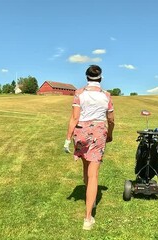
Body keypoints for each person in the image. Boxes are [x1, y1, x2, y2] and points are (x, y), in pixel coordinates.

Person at [64, 65, 115, 230]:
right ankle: (88, 218)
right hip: (98, 132)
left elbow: (74, 117)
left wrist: (67, 139)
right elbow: (111, 119)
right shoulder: (106, 96)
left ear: (87, 77)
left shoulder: (79, 93)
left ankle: (89, 201)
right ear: (101, 78)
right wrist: (110, 134)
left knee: (86, 168)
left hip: (81, 132)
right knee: (93, 175)